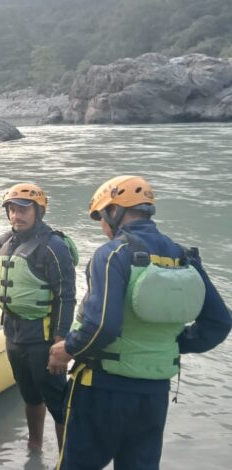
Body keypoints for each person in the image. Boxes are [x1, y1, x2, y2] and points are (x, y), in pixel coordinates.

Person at [49, 175, 231, 469]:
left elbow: (102, 326)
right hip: (153, 395)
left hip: (100, 390)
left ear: (114, 210)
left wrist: (67, 349)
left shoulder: (112, 254)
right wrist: (171, 344)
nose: (102, 227)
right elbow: (219, 322)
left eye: (101, 217)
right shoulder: (184, 256)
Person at [0, 183, 76, 452]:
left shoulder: (53, 247)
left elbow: (66, 297)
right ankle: (35, 446)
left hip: (43, 339)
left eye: (23, 210)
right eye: (12, 210)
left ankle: (67, 459)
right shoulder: (3, 242)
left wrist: (61, 344)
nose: (16, 216)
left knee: (58, 402)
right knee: (29, 395)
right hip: (13, 336)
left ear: (38, 211)